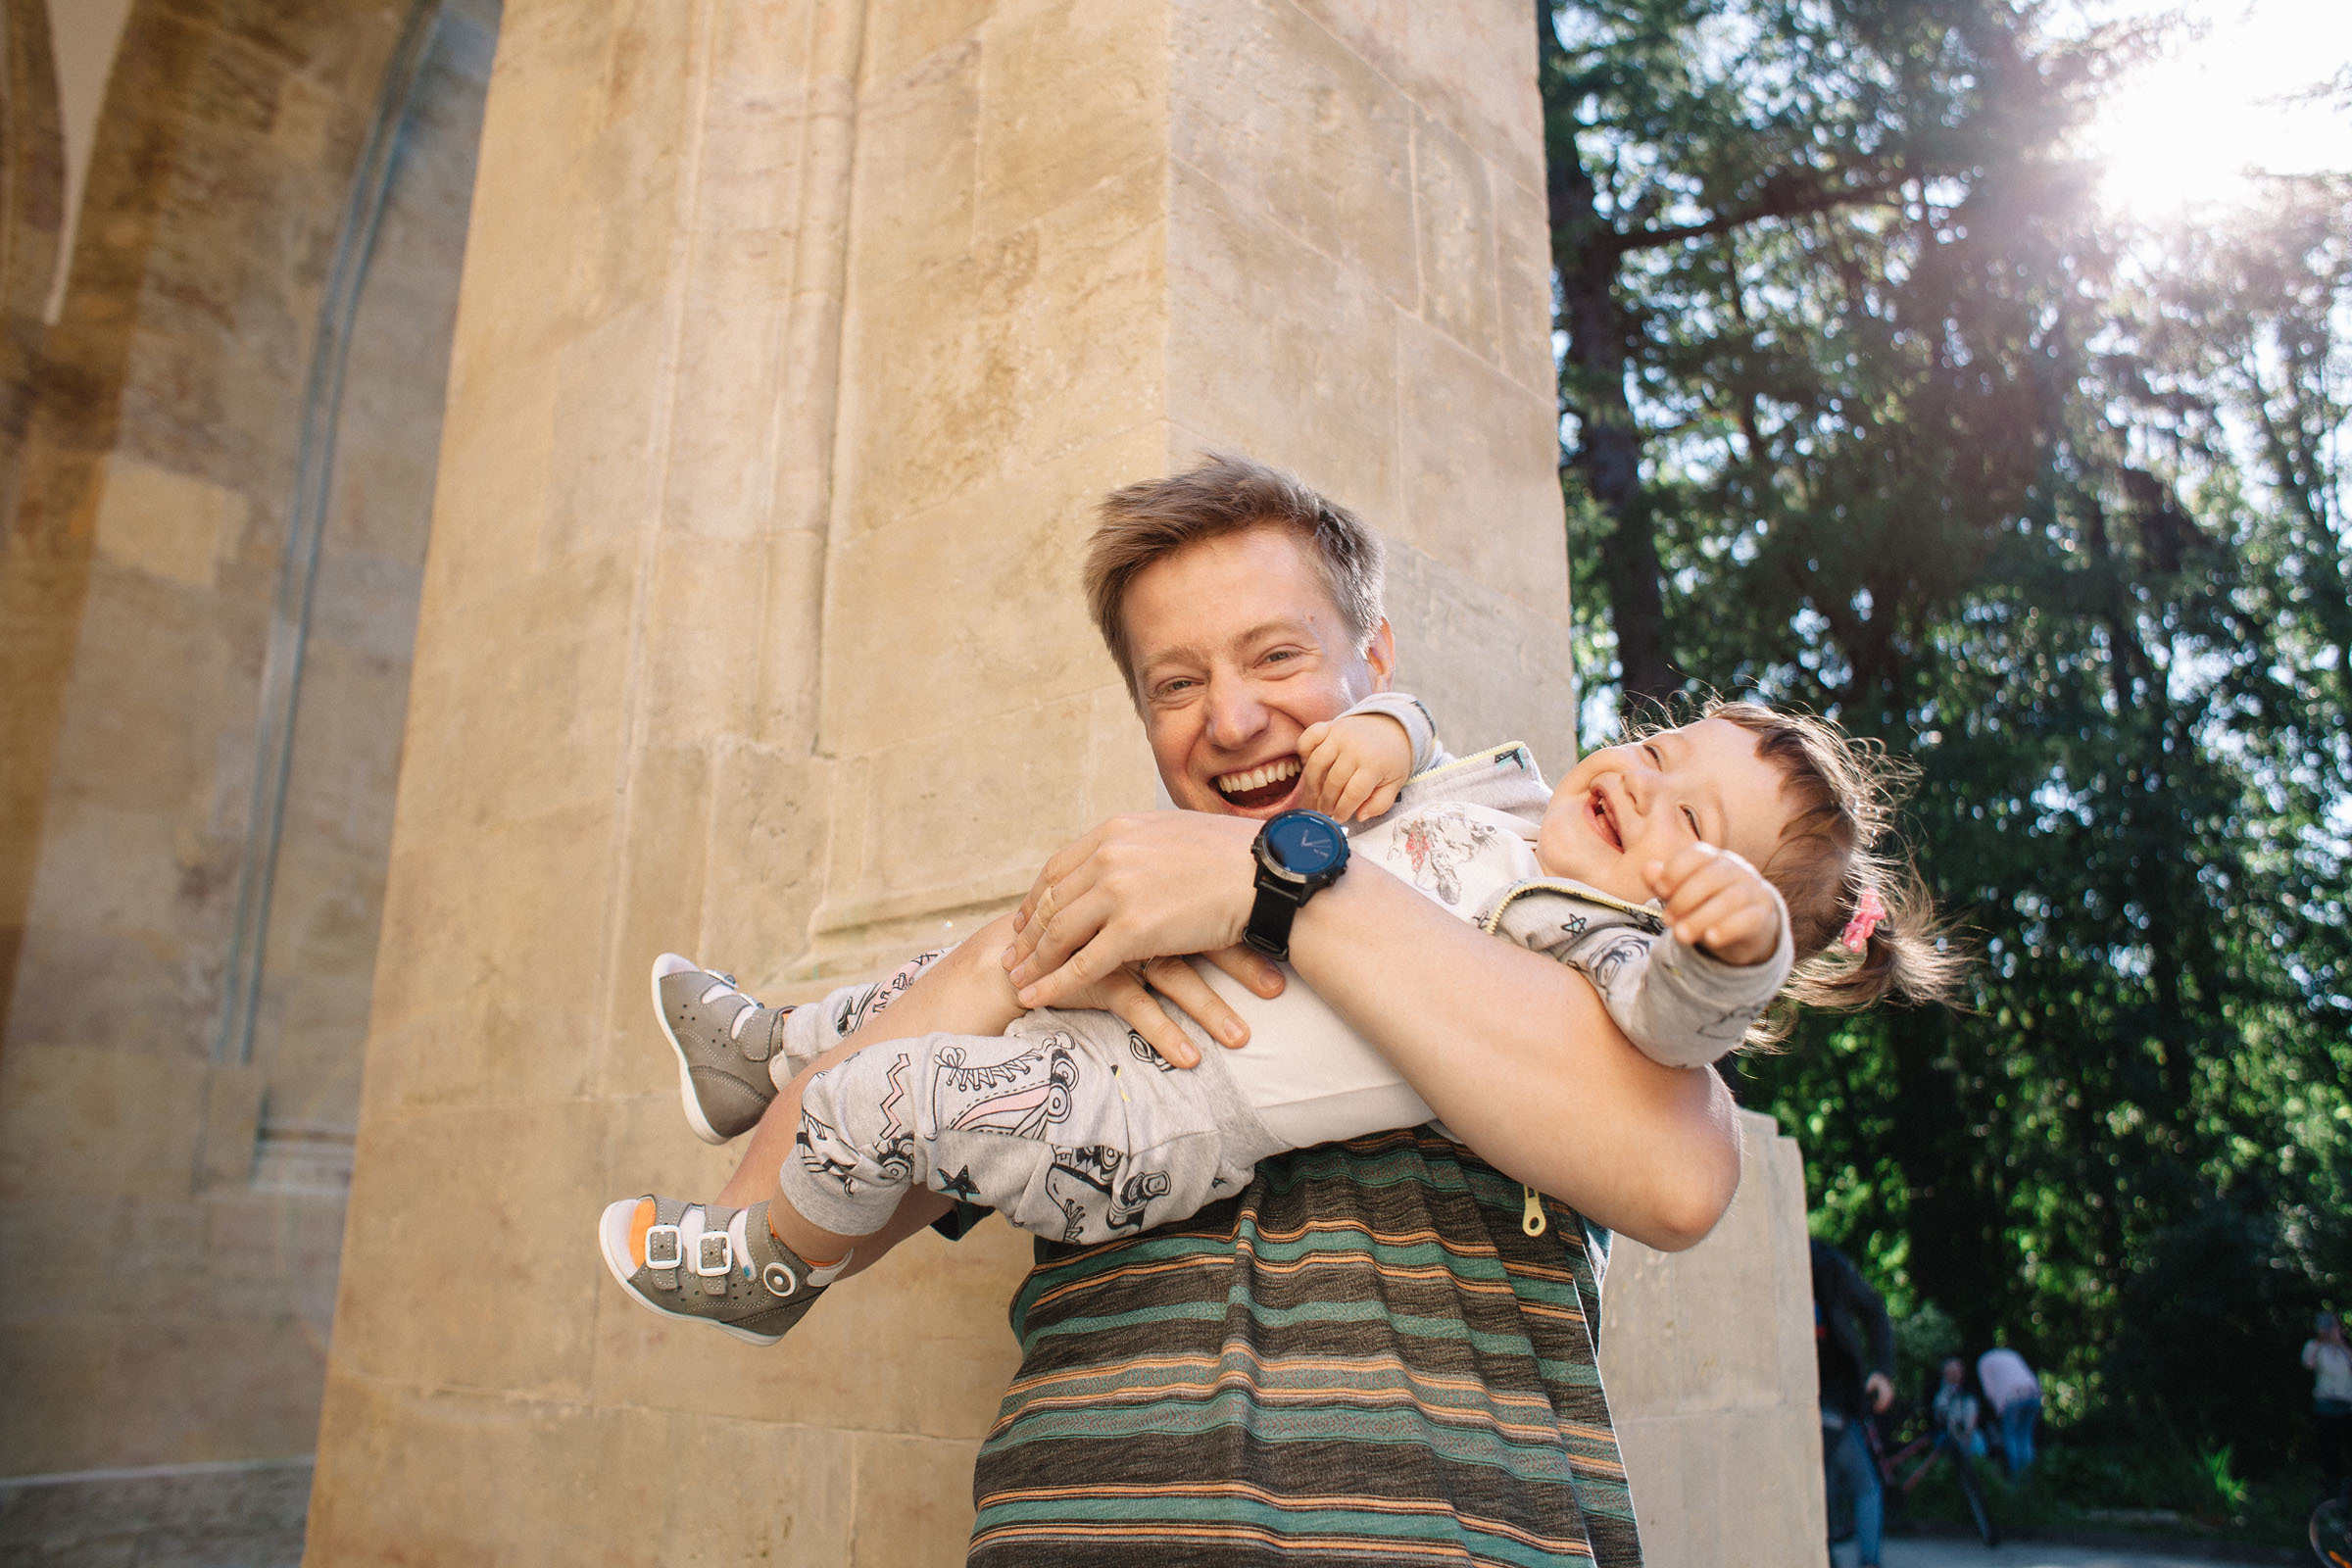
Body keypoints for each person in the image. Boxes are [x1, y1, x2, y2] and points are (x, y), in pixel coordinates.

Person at [611, 456, 1951, 1563]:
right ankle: (766, 1029)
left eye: (1275, 655)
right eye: (1175, 685)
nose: (1232, 716)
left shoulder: (1545, 906)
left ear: (1373, 655)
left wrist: (1276, 887)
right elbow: (800, 1179)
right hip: (1078, 1527)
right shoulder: (1124, 907)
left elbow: (1679, 1168)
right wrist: (1015, 958)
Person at [598, 678, 1901, 1327]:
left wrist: (1735, 964)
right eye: (1658, 750)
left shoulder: (1592, 943)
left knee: (895, 1090)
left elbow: (1674, 1048)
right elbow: (1425, 740)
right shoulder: (1499, 803)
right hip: (1103, 1074)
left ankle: (760, 1246)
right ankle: (770, 1052)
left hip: (1161, 1116)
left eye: (1696, 828)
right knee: (932, 991)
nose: (1645, 787)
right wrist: (1388, 731)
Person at [1814, 1240, 1896, 1568]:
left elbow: (1873, 1308)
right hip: (1820, 1402)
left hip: (1832, 1399)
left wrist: (1883, 1372)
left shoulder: (1825, 1264)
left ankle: (1866, 1561)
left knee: (1859, 1487)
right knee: (1850, 1487)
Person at [1978, 1345, 2042, 1481]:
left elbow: (1989, 1392)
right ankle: (2029, 1479)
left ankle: (2017, 1481)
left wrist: (1998, 1411)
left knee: (2011, 1438)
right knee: (2025, 1438)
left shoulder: (1983, 1361)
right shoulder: (2011, 1353)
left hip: (2012, 1398)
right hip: (2034, 1394)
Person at [2307, 1310, 2352, 1498]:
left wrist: (2339, 1342)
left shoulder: (2346, 1348)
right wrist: (2321, 1340)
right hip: (2325, 1406)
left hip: (2347, 1406)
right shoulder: (2314, 1347)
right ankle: (2330, 1486)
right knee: (2329, 1448)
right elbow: (2309, 1363)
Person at [1933, 1355, 1987, 1459]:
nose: (1956, 1375)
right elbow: (1939, 1416)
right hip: (1947, 1433)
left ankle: (1979, 1467)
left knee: (1977, 1440)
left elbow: (1973, 1414)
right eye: (1951, 1372)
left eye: (1957, 1371)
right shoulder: (1940, 1393)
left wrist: (1967, 1431)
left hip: (1968, 1431)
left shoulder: (1968, 1391)